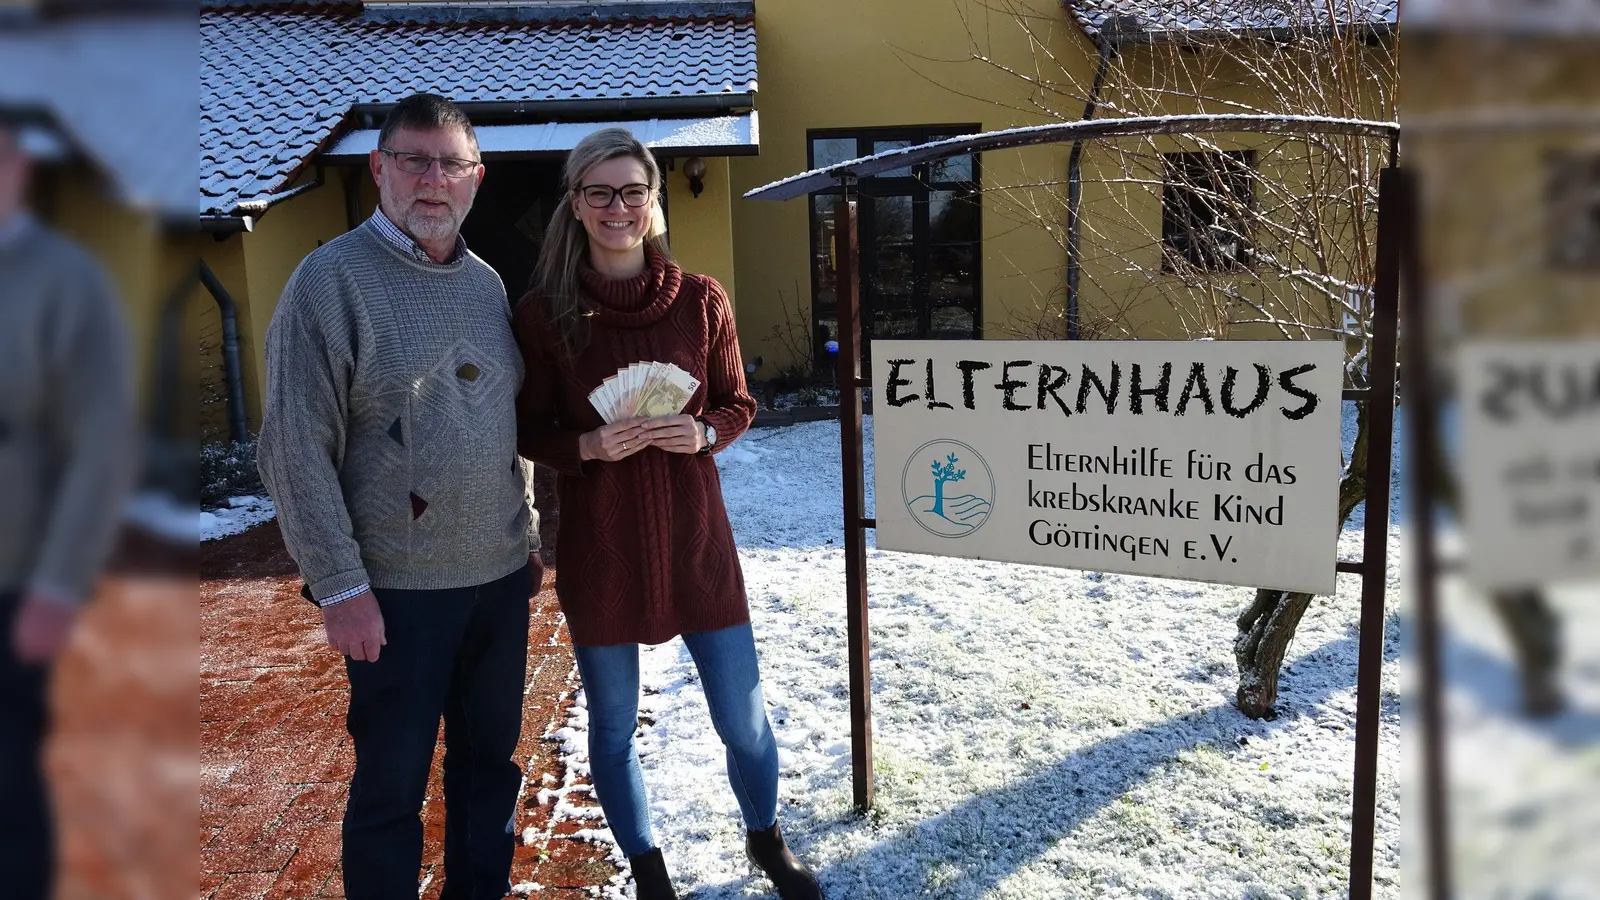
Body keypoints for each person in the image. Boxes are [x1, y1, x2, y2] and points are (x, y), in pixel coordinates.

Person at [513, 127, 822, 900]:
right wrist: (586, 446)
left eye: (632, 191)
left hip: (697, 546)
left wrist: (705, 430)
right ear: (577, 205)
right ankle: (650, 874)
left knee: (745, 722)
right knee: (613, 732)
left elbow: (739, 401)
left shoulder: (701, 299)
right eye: (600, 192)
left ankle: (767, 841)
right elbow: (526, 429)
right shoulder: (543, 314)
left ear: (652, 202)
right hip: (601, 551)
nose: (618, 207)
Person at [256, 93, 541, 900]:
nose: (432, 180)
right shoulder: (328, 283)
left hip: (495, 583)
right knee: (392, 788)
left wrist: (529, 543)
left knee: (490, 771)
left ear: (476, 179)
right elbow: (291, 449)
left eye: (450, 163)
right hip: (394, 595)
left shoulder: (488, 286)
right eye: (413, 160)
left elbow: (504, 423)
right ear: (378, 168)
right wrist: (340, 586)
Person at [0, 117, 137, 899]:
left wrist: (57, 585)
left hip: (18, 578)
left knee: (12, 781)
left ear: (16, 165)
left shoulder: (64, 280)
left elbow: (99, 446)